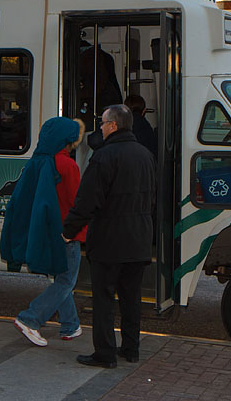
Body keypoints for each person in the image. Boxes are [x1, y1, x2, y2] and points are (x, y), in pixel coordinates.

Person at [63, 104, 156, 369]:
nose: (100, 128)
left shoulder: (103, 156)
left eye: (103, 123)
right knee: (131, 299)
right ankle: (130, 348)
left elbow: (87, 200)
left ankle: (104, 353)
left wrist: (69, 230)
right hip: (138, 239)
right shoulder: (145, 155)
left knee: (104, 299)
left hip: (109, 241)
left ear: (113, 125)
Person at [1, 117, 87, 347]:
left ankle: (70, 325)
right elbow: (75, 203)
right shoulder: (68, 165)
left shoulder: (37, 162)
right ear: (69, 140)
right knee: (67, 281)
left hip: (46, 230)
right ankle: (30, 318)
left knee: (61, 278)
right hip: (66, 231)